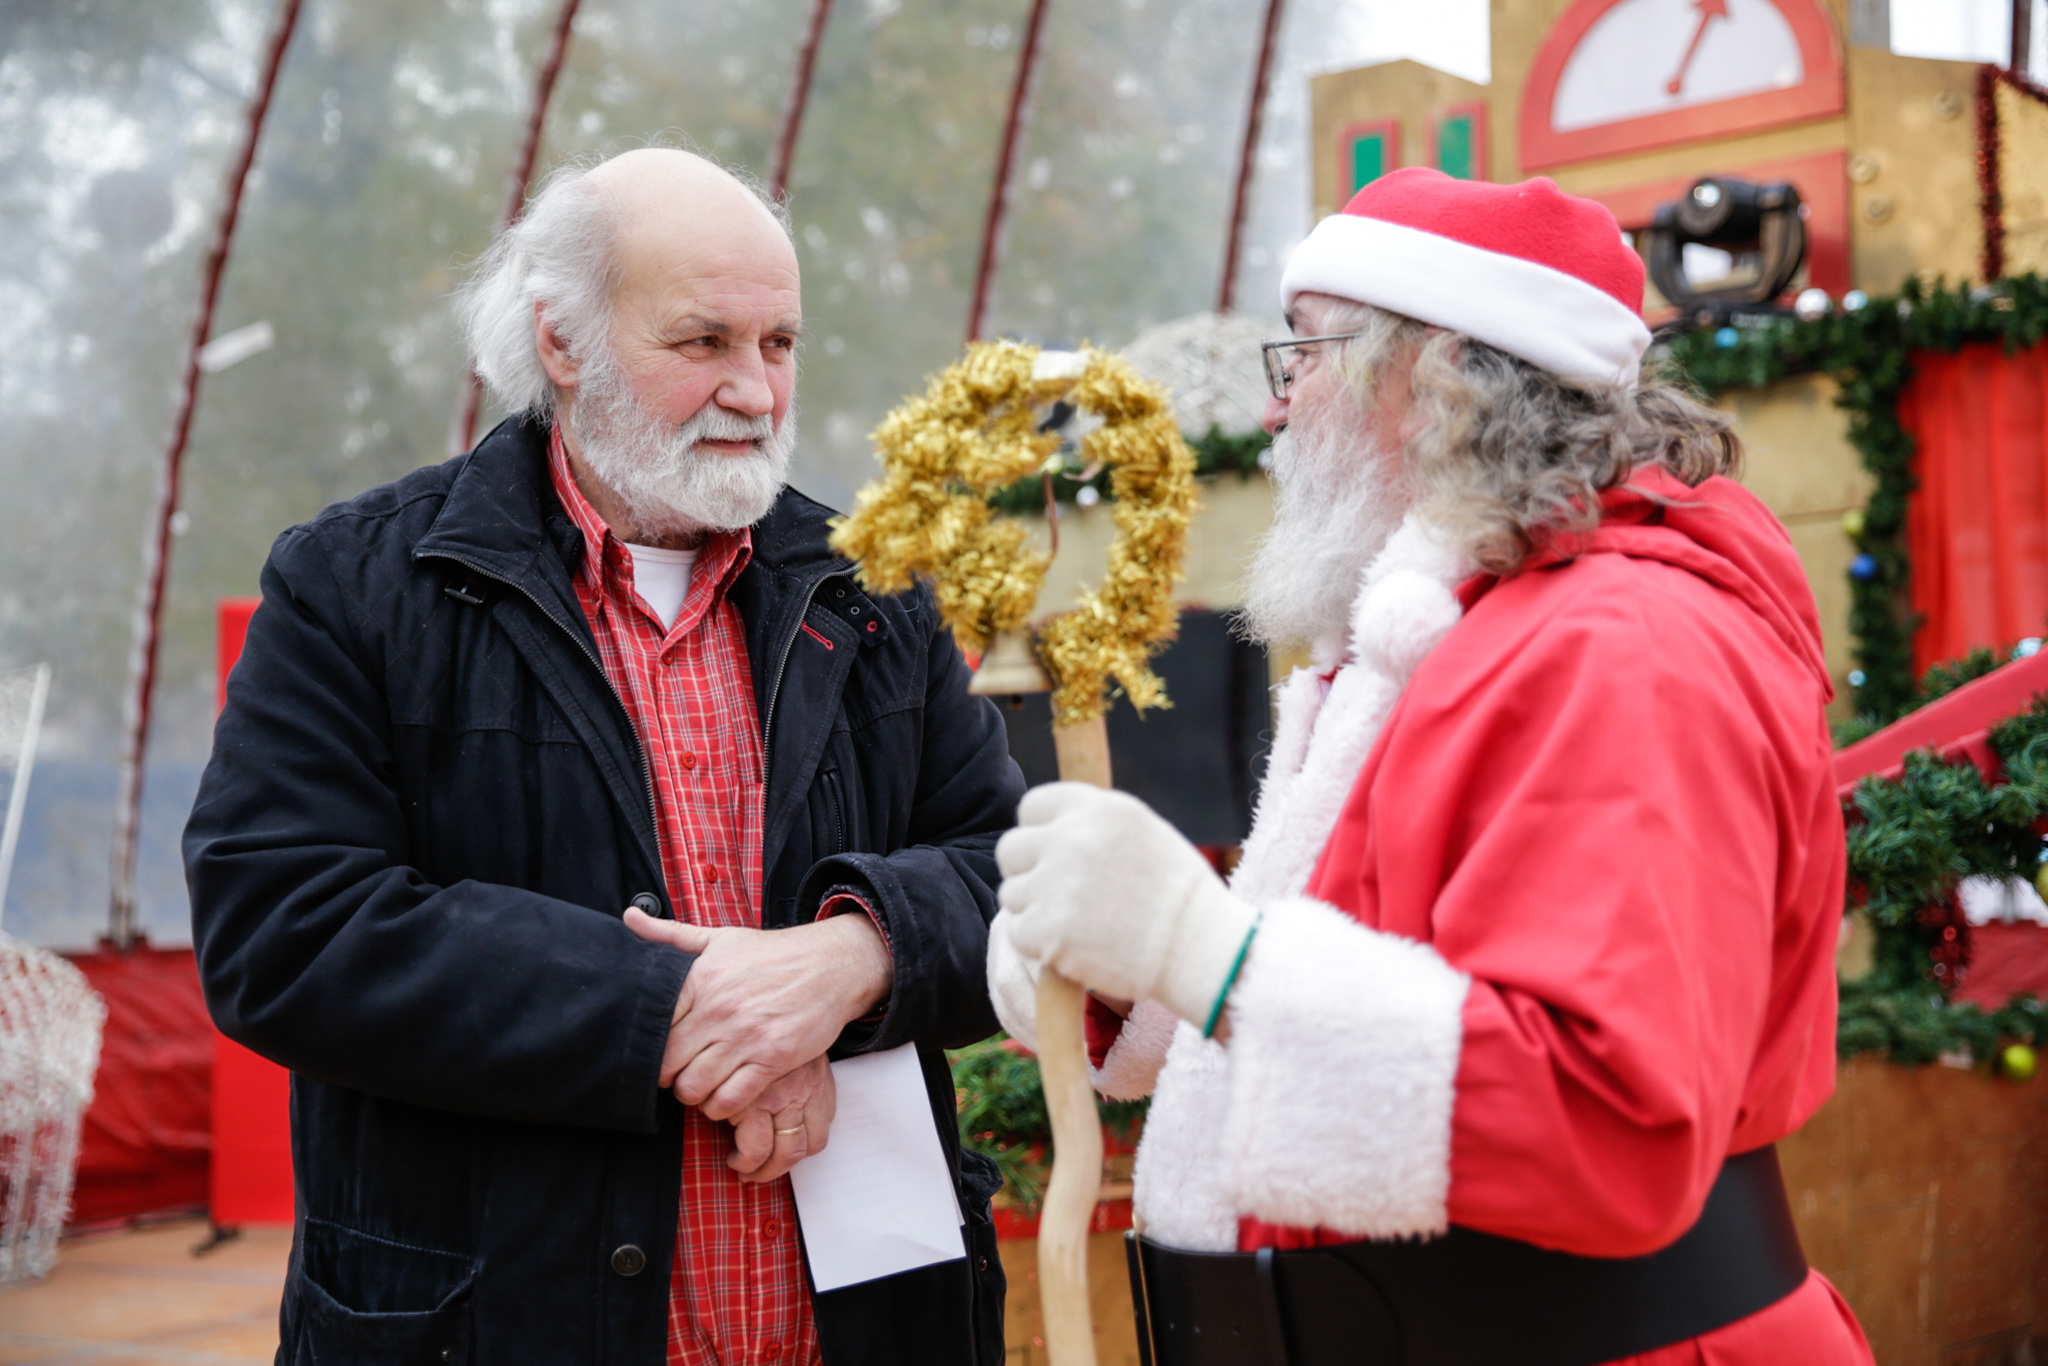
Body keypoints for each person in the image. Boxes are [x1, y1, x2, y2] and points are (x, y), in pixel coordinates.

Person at [988, 167, 1874, 1365]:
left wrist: (1206, 951)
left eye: (1300, 352)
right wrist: (1121, 962)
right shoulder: (1453, 626)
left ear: (1436, 369)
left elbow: (1602, 1116)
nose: (1274, 407)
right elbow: (1389, 935)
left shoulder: (1623, 645)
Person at [185, 147, 1019, 1366]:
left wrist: (854, 955)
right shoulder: (359, 584)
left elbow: (1004, 869)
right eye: (701, 343)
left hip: (860, 1323)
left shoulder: (871, 589)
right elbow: (283, 922)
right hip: (492, 1326)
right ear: (561, 343)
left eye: (778, 344)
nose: (753, 391)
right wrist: (681, 1010)